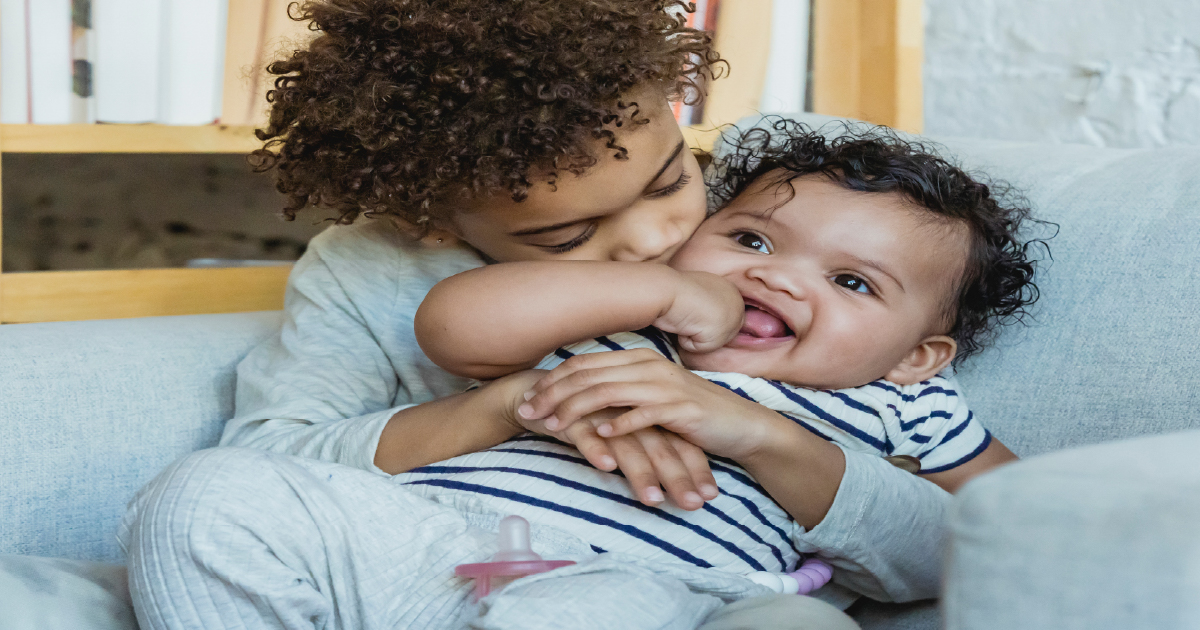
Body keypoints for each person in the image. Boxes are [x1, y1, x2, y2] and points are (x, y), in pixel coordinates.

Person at [118, 2, 969, 629]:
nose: (653, 238)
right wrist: (512, 405)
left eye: (671, 178)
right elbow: (275, 453)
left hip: (654, 589)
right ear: (434, 223)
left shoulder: (758, 249)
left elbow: (981, 522)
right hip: (436, 545)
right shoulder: (373, 267)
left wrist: (760, 435)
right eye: (567, 235)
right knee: (200, 498)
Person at [410, 120, 1039, 582]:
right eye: (751, 240)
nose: (777, 278)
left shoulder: (903, 399)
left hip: (645, 587)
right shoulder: (625, 315)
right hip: (431, 528)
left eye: (852, 282)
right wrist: (661, 291)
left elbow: (1036, 513)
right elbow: (453, 328)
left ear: (917, 356)